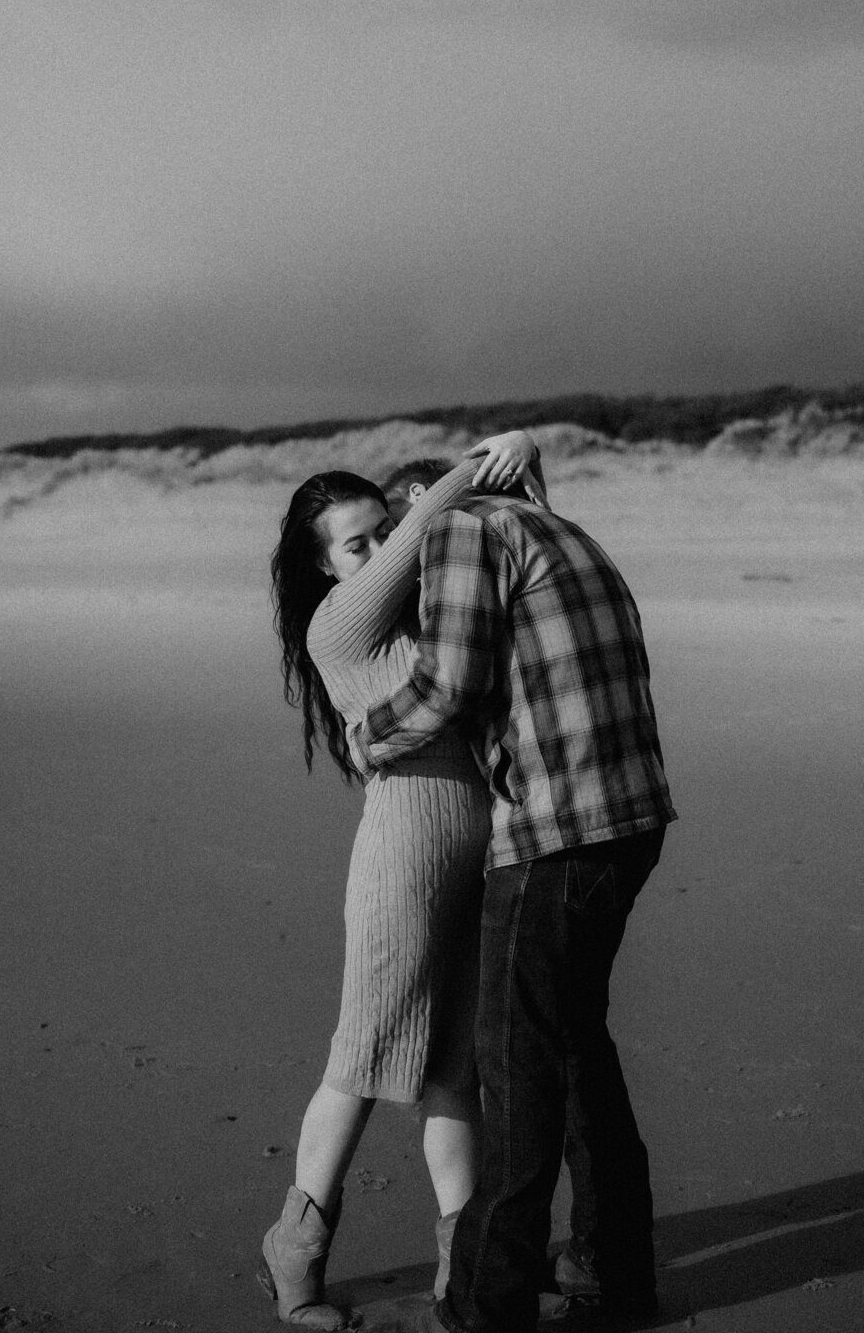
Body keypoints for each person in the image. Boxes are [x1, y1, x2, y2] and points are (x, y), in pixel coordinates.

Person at [356, 482, 677, 1333]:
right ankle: (615, 1277)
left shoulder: (458, 528)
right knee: (578, 1055)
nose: (398, 552)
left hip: (555, 834)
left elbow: (446, 684)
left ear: (425, 501)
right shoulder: (560, 527)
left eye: (399, 530)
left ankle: (479, 1310)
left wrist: (366, 735)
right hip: (631, 819)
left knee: (516, 1076)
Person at [261, 430, 543, 1330]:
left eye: (382, 529)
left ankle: (463, 1276)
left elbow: (517, 539)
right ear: (329, 570)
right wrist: (471, 470)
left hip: (479, 852)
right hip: (401, 865)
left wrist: (529, 459)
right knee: (360, 1059)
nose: (381, 551)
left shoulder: (433, 621)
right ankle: (294, 1253)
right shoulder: (337, 625)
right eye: (357, 544)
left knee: (455, 1072)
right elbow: (434, 525)